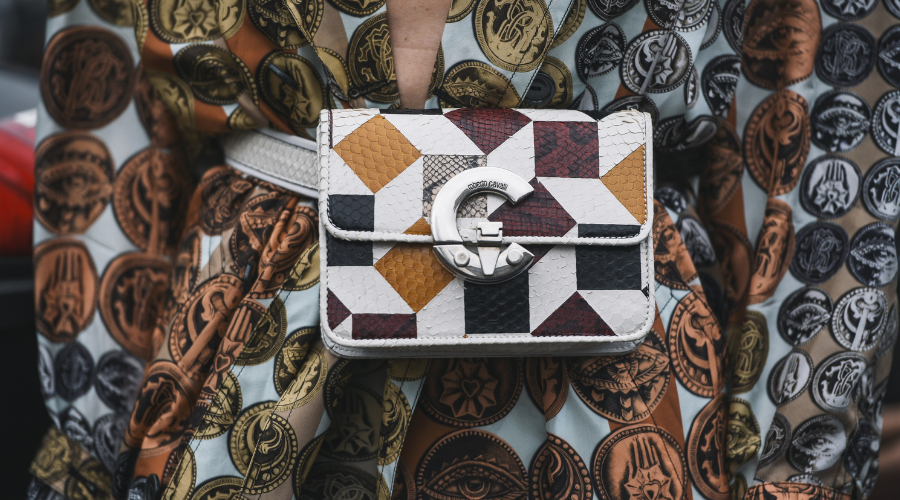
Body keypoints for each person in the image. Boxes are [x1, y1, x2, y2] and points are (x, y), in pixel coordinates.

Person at [27, 0, 897, 499]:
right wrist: (92, 444)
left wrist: (793, 464)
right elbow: (103, 117)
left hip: (623, 365)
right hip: (247, 365)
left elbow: (807, 101)